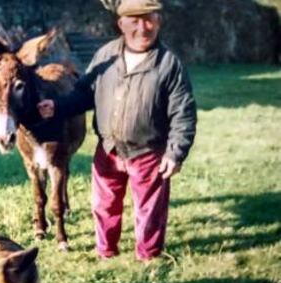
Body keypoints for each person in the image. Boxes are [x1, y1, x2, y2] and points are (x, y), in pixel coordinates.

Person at [37, 0, 197, 261]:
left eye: (149, 19)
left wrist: (175, 153)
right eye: (134, 20)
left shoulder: (169, 64)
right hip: (108, 149)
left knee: (149, 210)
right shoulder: (106, 55)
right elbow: (84, 94)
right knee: (103, 206)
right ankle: (106, 252)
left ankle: (149, 257)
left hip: (149, 152)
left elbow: (183, 112)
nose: (142, 27)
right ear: (121, 23)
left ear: (159, 22)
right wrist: (57, 106)